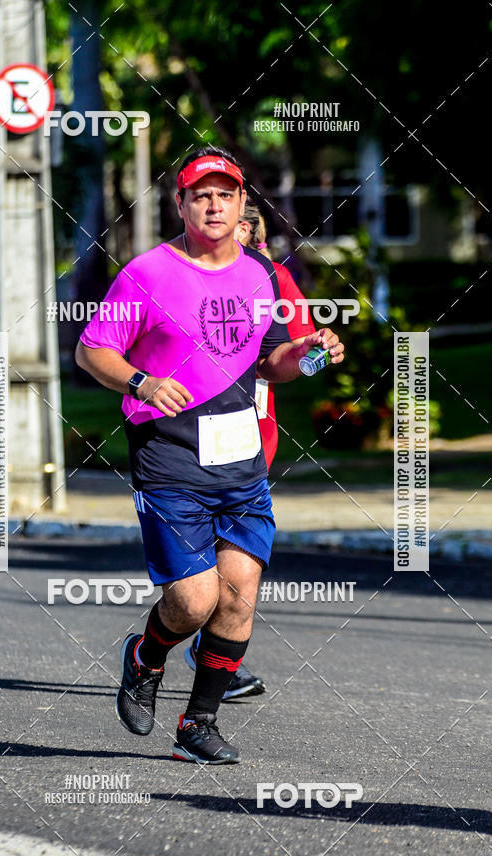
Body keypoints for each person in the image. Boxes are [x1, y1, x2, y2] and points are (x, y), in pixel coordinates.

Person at [76, 147, 344, 764]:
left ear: (243, 203)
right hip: (170, 460)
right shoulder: (148, 273)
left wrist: (309, 354)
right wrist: (141, 382)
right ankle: (144, 657)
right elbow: (93, 350)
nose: (215, 205)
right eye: (202, 195)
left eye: (226, 194)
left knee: (240, 591)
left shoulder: (260, 276)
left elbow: (272, 361)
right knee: (194, 601)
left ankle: (197, 724)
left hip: (241, 460)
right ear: (181, 204)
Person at [183, 201, 317, 696]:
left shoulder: (272, 277)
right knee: (202, 570)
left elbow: (299, 351)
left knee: (238, 563)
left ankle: (212, 655)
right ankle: (192, 642)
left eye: (243, 227)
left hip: (252, 434)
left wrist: (317, 353)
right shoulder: (183, 272)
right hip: (188, 437)